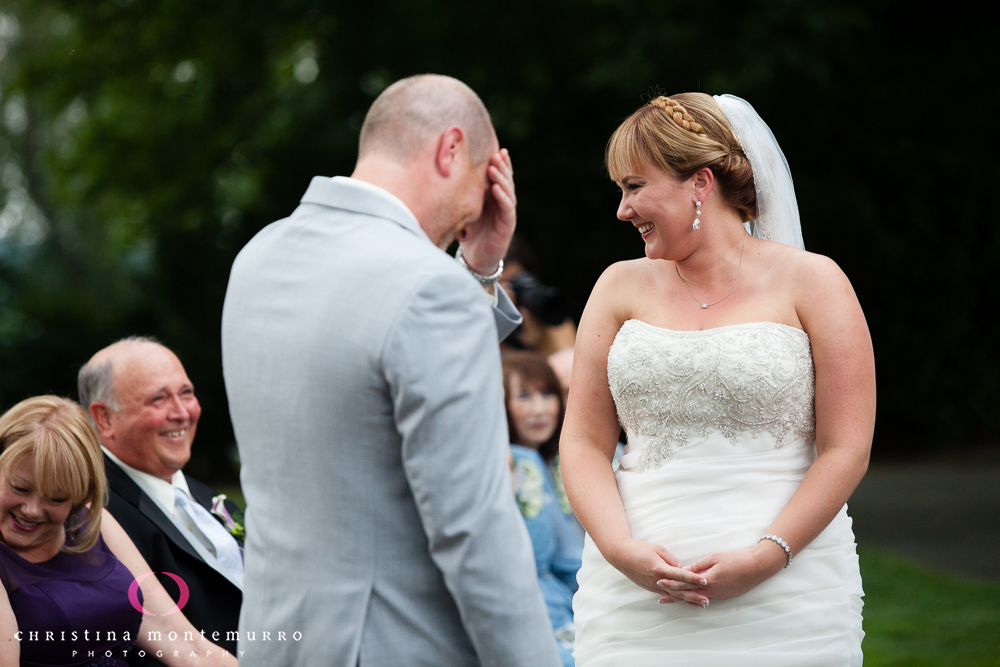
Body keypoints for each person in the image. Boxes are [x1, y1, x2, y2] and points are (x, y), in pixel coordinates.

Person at [221, 74, 560, 666]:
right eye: (484, 180)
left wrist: (478, 269)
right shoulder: (427, 286)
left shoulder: (258, 256)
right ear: (450, 149)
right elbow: (473, 528)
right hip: (395, 644)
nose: (478, 207)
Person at [560, 94, 875, 666]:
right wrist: (620, 551)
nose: (622, 210)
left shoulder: (815, 282)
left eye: (634, 186)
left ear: (699, 183)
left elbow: (845, 448)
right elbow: (582, 442)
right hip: (636, 604)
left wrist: (767, 556)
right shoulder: (616, 287)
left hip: (791, 597)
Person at [0, 395, 238, 667]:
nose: (32, 509)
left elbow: (184, 642)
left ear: (80, 495)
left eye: (56, 498)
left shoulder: (89, 520)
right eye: (20, 488)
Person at [78, 337, 244, 662]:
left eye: (186, 393)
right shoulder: (93, 514)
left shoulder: (200, 494)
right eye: (158, 399)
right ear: (104, 419)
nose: (182, 413)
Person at [503, 352, 583, 667]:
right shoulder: (516, 461)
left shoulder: (558, 461)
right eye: (523, 396)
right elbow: (552, 554)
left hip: (565, 597)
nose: (538, 409)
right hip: (534, 604)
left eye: (547, 394)